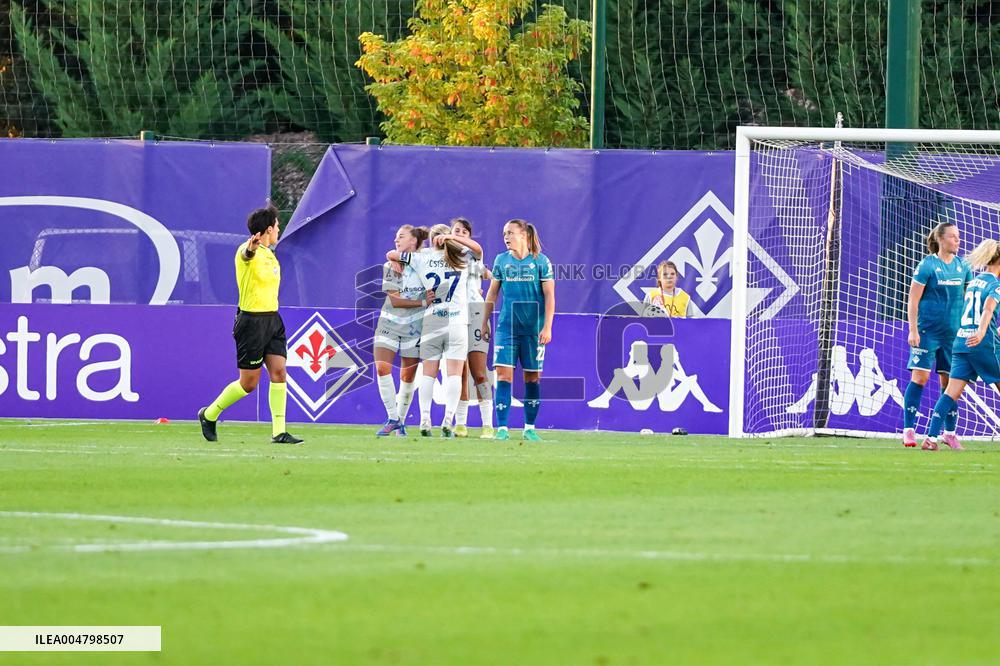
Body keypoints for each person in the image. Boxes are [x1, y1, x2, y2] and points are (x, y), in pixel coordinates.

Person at [198, 206, 303, 444]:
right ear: (268, 229)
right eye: (277, 226)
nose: (279, 229)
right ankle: (209, 414)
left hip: (273, 321)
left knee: (279, 372)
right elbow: (247, 255)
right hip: (251, 322)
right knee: (249, 384)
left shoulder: (270, 254)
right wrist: (250, 249)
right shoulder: (247, 252)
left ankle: (279, 432)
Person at [387, 223, 483, 437]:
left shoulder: (421, 258)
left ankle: (424, 420)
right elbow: (478, 249)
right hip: (458, 321)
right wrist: (452, 238)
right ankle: (448, 420)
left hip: (432, 320)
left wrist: (395, 260)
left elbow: (392, 253)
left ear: (432, 240)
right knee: (454, 375)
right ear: (448, 238)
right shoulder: (461, 258)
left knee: (428, 374)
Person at [921, 240, 1000, 451]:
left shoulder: (974, 282)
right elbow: (988, 309)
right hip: (983, 344)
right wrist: (983, 331)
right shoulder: (995, 285)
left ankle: (931, 438)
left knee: (951, 393)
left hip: (961, 342)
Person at [482, 219, 555, 441]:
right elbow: (493, 293)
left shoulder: (541, 261)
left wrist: (547, 327)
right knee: (503, 375)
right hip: (507, 328)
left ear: (523, 234)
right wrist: (484, 321)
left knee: (532, 378)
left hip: (533, 330)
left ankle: (529, 428)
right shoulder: (501, 261)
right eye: (504, 233)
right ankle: (502, 428)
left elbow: (550, 295)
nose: (506, 237)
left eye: (510, 233)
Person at [902, 221, 972, 448]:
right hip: (927, 332)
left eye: (958, 237)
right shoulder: (927, 265)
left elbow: (970, 299)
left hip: (954, 335)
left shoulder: (963, 267)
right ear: (941, 239)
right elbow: (913, 299)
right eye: (953, 237)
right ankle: (909, 430)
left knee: (951, 383)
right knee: (920, 378)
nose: (957, 241)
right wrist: (913, 329)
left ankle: (949, 433)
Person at [374, 225, 433, 437]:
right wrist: (422, 301)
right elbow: (394, 300)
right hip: (389, 323)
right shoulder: (390, 265)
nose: (396, 240)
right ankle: (392, 418)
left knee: (407, 376)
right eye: (395, 237)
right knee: (382, 367)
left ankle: (400, 421)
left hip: (415, 327)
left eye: (401, 237)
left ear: (414, 241)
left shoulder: (426, 261)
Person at [451, 218, 495, 439]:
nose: (458, 234)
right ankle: (461, 424)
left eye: (463, 232)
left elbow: (478, 249)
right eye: (455, 230)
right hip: (455, 314)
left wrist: (452, 237)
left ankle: (488, 424)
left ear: (468, 236)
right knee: (459, 372)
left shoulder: (474, 255)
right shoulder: (445, 257)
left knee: (479, 371)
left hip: (476, 312)